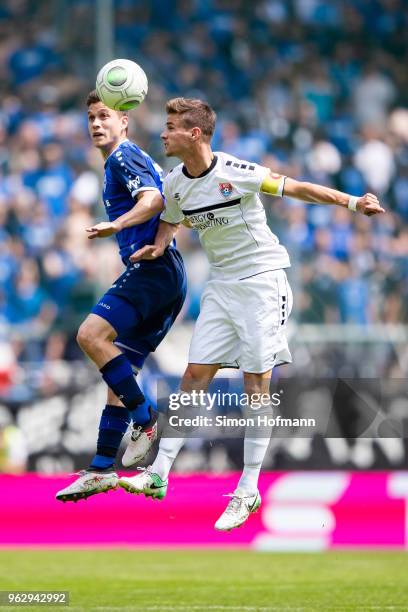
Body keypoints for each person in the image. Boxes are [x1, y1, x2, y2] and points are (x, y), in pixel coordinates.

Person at [118, 97, 384, 531]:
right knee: (194, 376)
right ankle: (159, 472)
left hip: (263, 282)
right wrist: (162, 242)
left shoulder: (235, 173)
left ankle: (248, 489)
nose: (162, 133)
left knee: (254, 386)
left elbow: (297, 187)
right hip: (221, 289)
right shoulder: (174, 184)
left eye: (170, 127)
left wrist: (352, 203)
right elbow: (170, 218)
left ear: (194, 134)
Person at [56, 91, 186, 502]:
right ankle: (100, 468)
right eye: (91, 118)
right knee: (120, 374)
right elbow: (172, 207)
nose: (96, 124)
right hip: (164, 272)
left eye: (105, 116)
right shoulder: (134, 158)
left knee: (90, 336)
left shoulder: (122, 158)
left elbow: (154, 199)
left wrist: (119, 225)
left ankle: (145, 417)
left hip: (153, 273)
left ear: (124, 122)